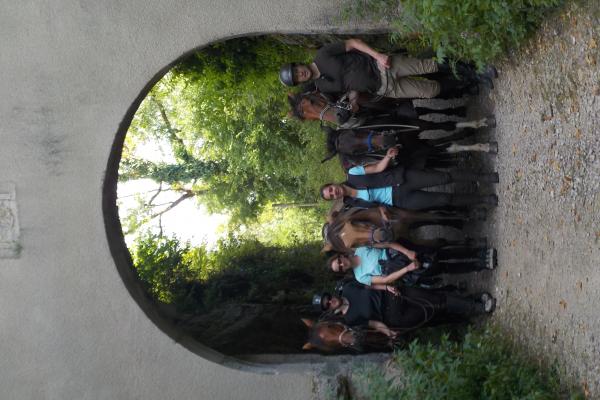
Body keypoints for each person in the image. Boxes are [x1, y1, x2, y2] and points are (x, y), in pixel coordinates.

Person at [279, 38, 497, 103]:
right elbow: (348, 91)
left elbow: (353, 43)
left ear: (299, 64)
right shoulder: (322, 86)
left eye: (297, 70)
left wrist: (378, 55)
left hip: (382, 66)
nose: (301, 74)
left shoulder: (322, 55)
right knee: (430, 91)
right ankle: (471, 82)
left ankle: (477, 73)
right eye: (298, 78)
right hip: (384, 88)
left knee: (428, 65)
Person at [312, 282, 495, 338]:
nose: (330, 302)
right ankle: (475, 307)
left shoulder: (349, 288)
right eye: (327, 304)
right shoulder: (349, 319)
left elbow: (372, 285)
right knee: (433, 312)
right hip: (394, 317)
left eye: (328, 298)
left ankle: (476, 303)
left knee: (436, 298)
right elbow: (373, 323)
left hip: (395, 295)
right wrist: (388, 332)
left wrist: (387, 287)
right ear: (329, 309)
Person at [319, 161, 499, 210]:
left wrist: (388, 157)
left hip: (401, 179)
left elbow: (377, 168)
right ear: (336, 198)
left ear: (334, 184)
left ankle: (484, 177)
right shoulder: (354, 203)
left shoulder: (353, 174)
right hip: (400, 200)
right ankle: (483, 199)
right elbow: (375, 209)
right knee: (444, 199)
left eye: (331, 189)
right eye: (332, 195)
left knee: (444, 178)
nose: (334, 192)